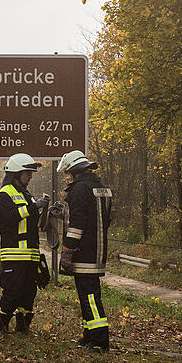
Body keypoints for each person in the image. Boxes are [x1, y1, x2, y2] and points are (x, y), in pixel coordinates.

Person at [57, 150, 112, 352]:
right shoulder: (102, 188)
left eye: (69, 173)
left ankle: (99, 341)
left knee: (89, 297)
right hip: (98, 251)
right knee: (88, 296)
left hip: (84, 253)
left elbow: (77, 225)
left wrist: (68, 250)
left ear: (74, 171)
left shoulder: (79, 190)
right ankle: (89, 336)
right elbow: (104, 219)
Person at [0, 153, 48, 334]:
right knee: (13, 291)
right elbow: (9, 218)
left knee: (29, 292)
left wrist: (48, 212)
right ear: (16, 173)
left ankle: (23, 325)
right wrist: (34, 206)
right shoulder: (4, 195)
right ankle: (2, 324)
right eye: (28, 173)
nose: (30, 177)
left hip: (31, 255)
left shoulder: (27, 195)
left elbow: (34, 223)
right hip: (14, 254)